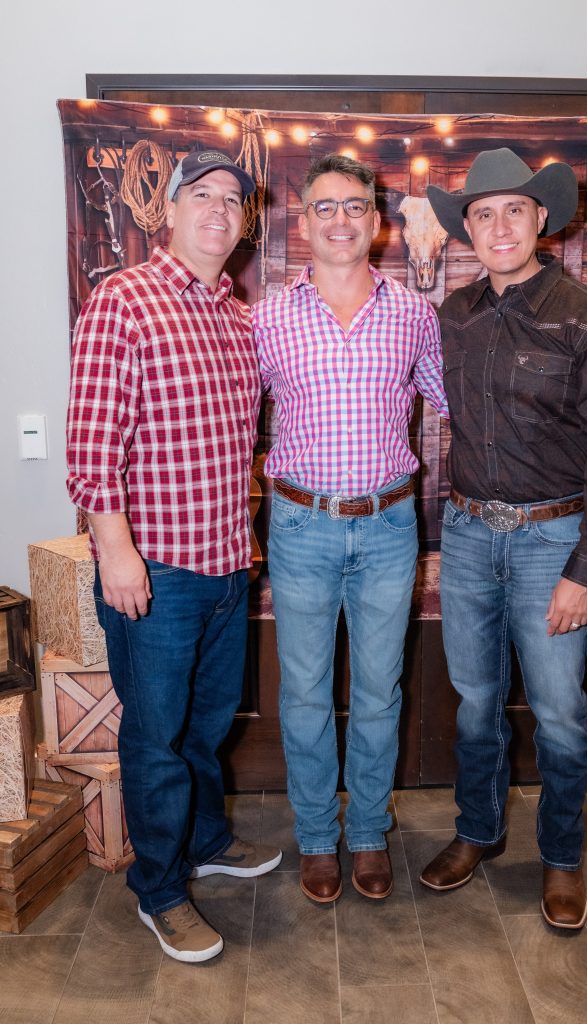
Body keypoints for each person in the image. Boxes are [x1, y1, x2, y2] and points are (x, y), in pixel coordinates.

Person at [66, 148, 282, 963]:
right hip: (155, 570)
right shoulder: (124, 299)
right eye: (202, 195)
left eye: (233, 199)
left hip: (226, 563)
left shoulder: (236, 316)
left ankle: (205, 840)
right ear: (169, 209)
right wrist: (115, 552)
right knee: (156, 737)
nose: (219, 210)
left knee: (207, 724)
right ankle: (159, 890)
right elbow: (93, 446)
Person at [421, 147, 587, 929]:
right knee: (476, 703)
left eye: (514, 209)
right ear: (468, 231)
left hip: (554, 540)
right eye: (483, 214)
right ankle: (478, 831)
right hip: (468, 535)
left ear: (541, 218)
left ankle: (561, 857)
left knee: (559, 713)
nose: (500, 226)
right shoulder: (454, 315)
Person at [253, 154, 447, 904]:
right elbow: (232, 419)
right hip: (301, 524)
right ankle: (314, 837)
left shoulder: (414, 314)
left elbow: (457, 403)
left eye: (355, 206)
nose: (341, 220)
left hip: (389, 525)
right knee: (304, 691)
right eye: (324, 207)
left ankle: (366, 831)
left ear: (378, 221)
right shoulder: (268, 318)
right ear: (303, 222)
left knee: (378, 688)